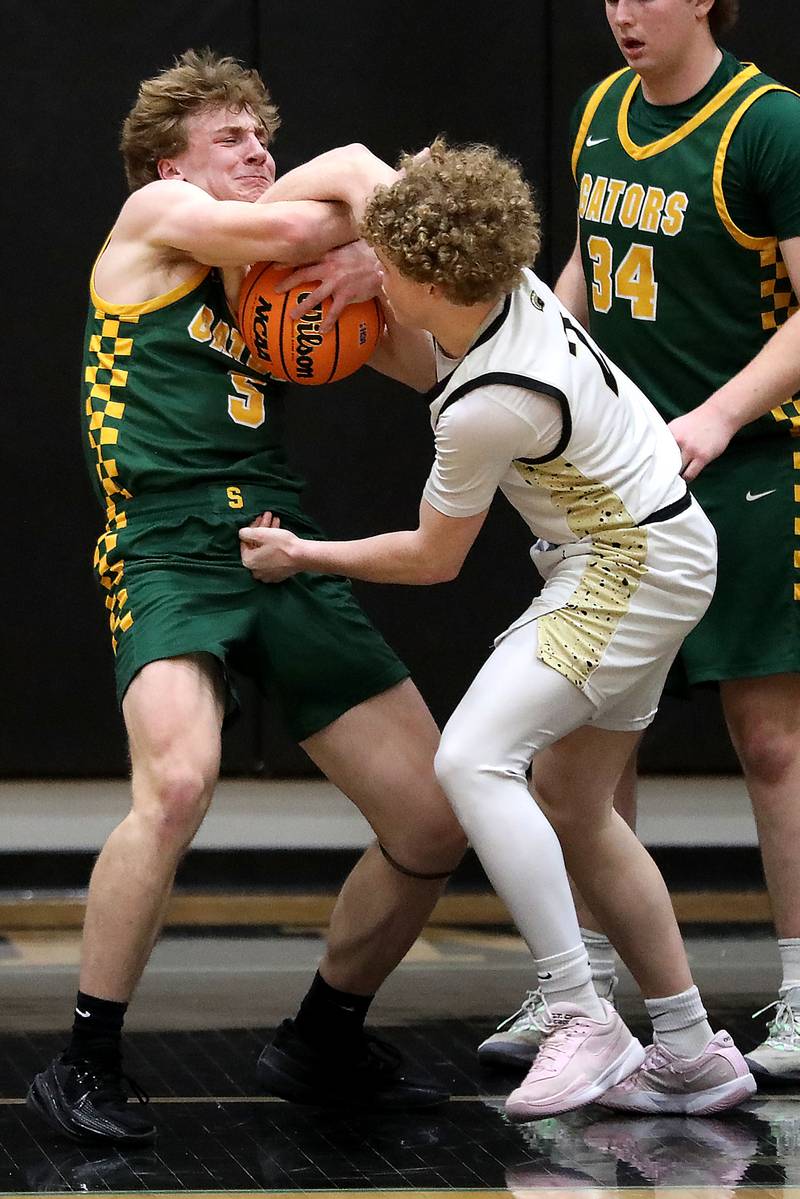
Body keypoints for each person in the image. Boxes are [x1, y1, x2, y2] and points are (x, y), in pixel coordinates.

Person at [238, 137, 755, 1117]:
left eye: (384, 266)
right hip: (659, 542)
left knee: (472, 758)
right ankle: (689, 1047)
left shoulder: (487, 403)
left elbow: (433, 558)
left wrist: (309, 554)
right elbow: (352, 161)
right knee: (574, 804)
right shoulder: (492, 266)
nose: (372, 274)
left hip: (627, 568)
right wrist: (272, 243)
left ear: (423, 276)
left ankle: (579, 1014)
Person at [26, 49, 468, 1146]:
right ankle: (84, 1055)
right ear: (167, 160)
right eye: (232, 137)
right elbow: (289, 223)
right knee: (177, 783)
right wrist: (371, 204)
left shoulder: (274, 289)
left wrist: (382, 281)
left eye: (264, 137)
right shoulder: (156, 219)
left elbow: (426, 366)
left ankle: (322, 1033)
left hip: (277, 537)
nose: (258, 153)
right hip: (167, 542)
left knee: (432, 817)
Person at [489, 0, 800, 1087]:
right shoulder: (598, 111)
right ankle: (587, 996)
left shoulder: (769, 123)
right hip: (617, 478)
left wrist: (715, 416)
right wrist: (532, 361)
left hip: (748, 464)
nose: (622, 11)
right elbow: (587, 263)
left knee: (769, 742)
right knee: (589, 749)